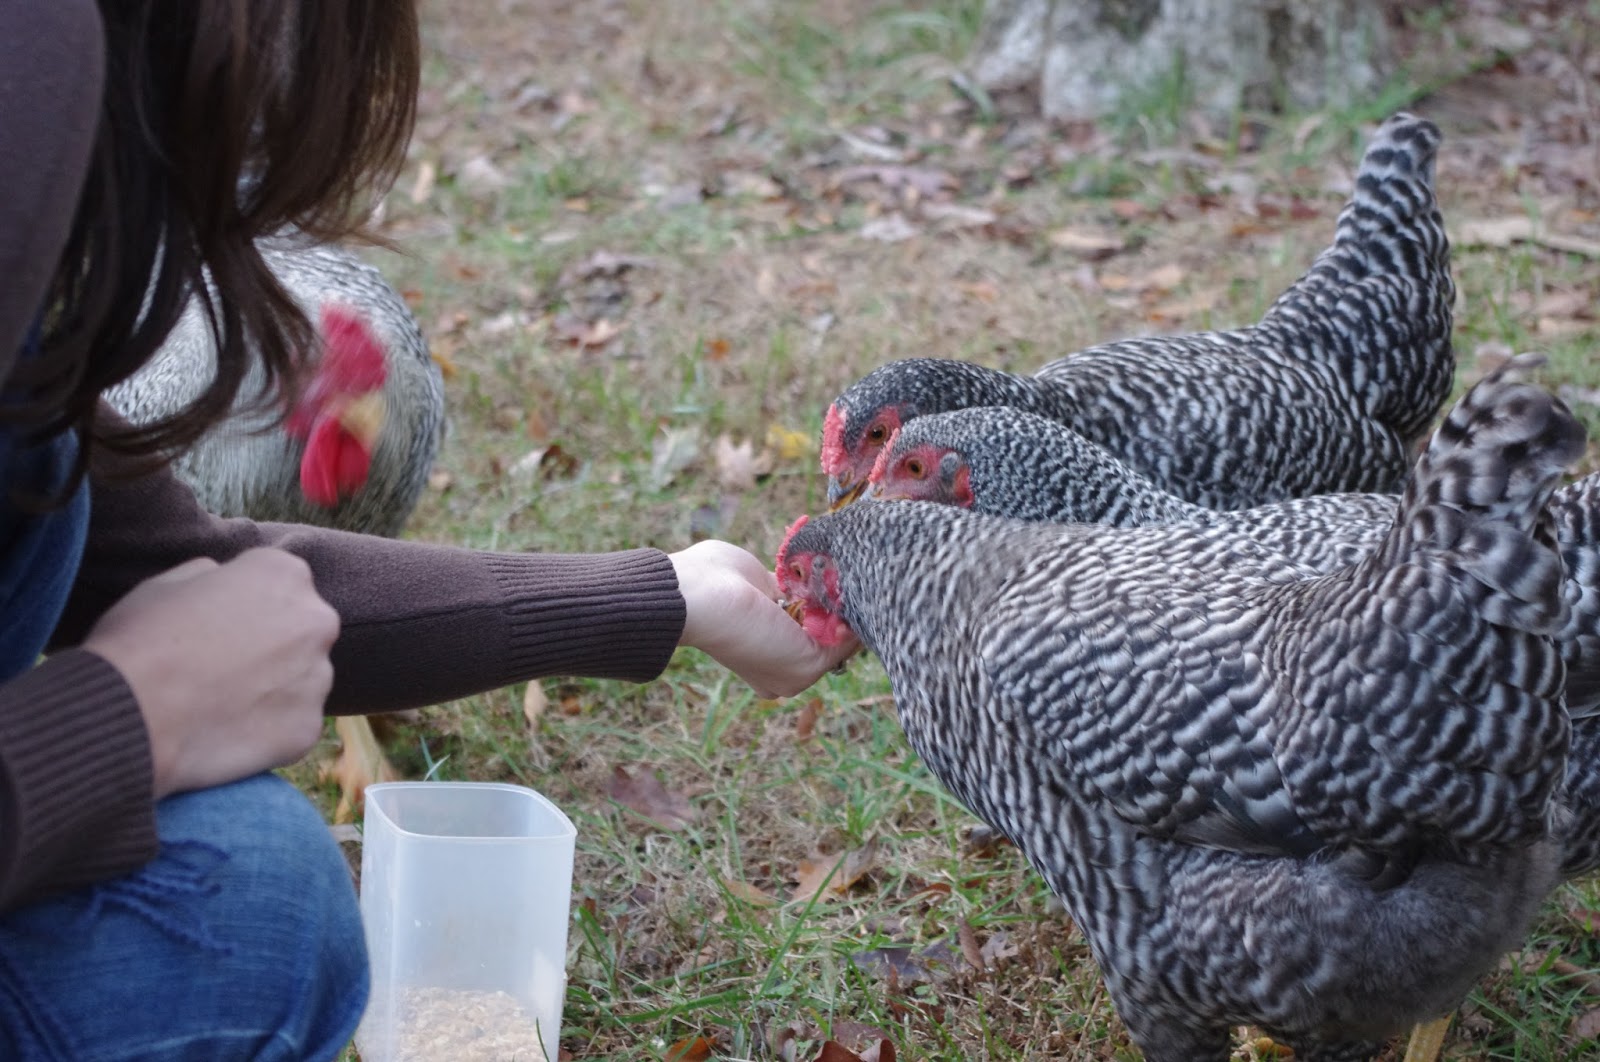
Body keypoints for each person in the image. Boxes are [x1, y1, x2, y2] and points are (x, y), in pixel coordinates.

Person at [0, 3, 857, 1059]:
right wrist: (126, 720)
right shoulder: (35, 65)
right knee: (265, 892)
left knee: (257, 864)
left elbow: (156, 560)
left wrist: (667, 598)